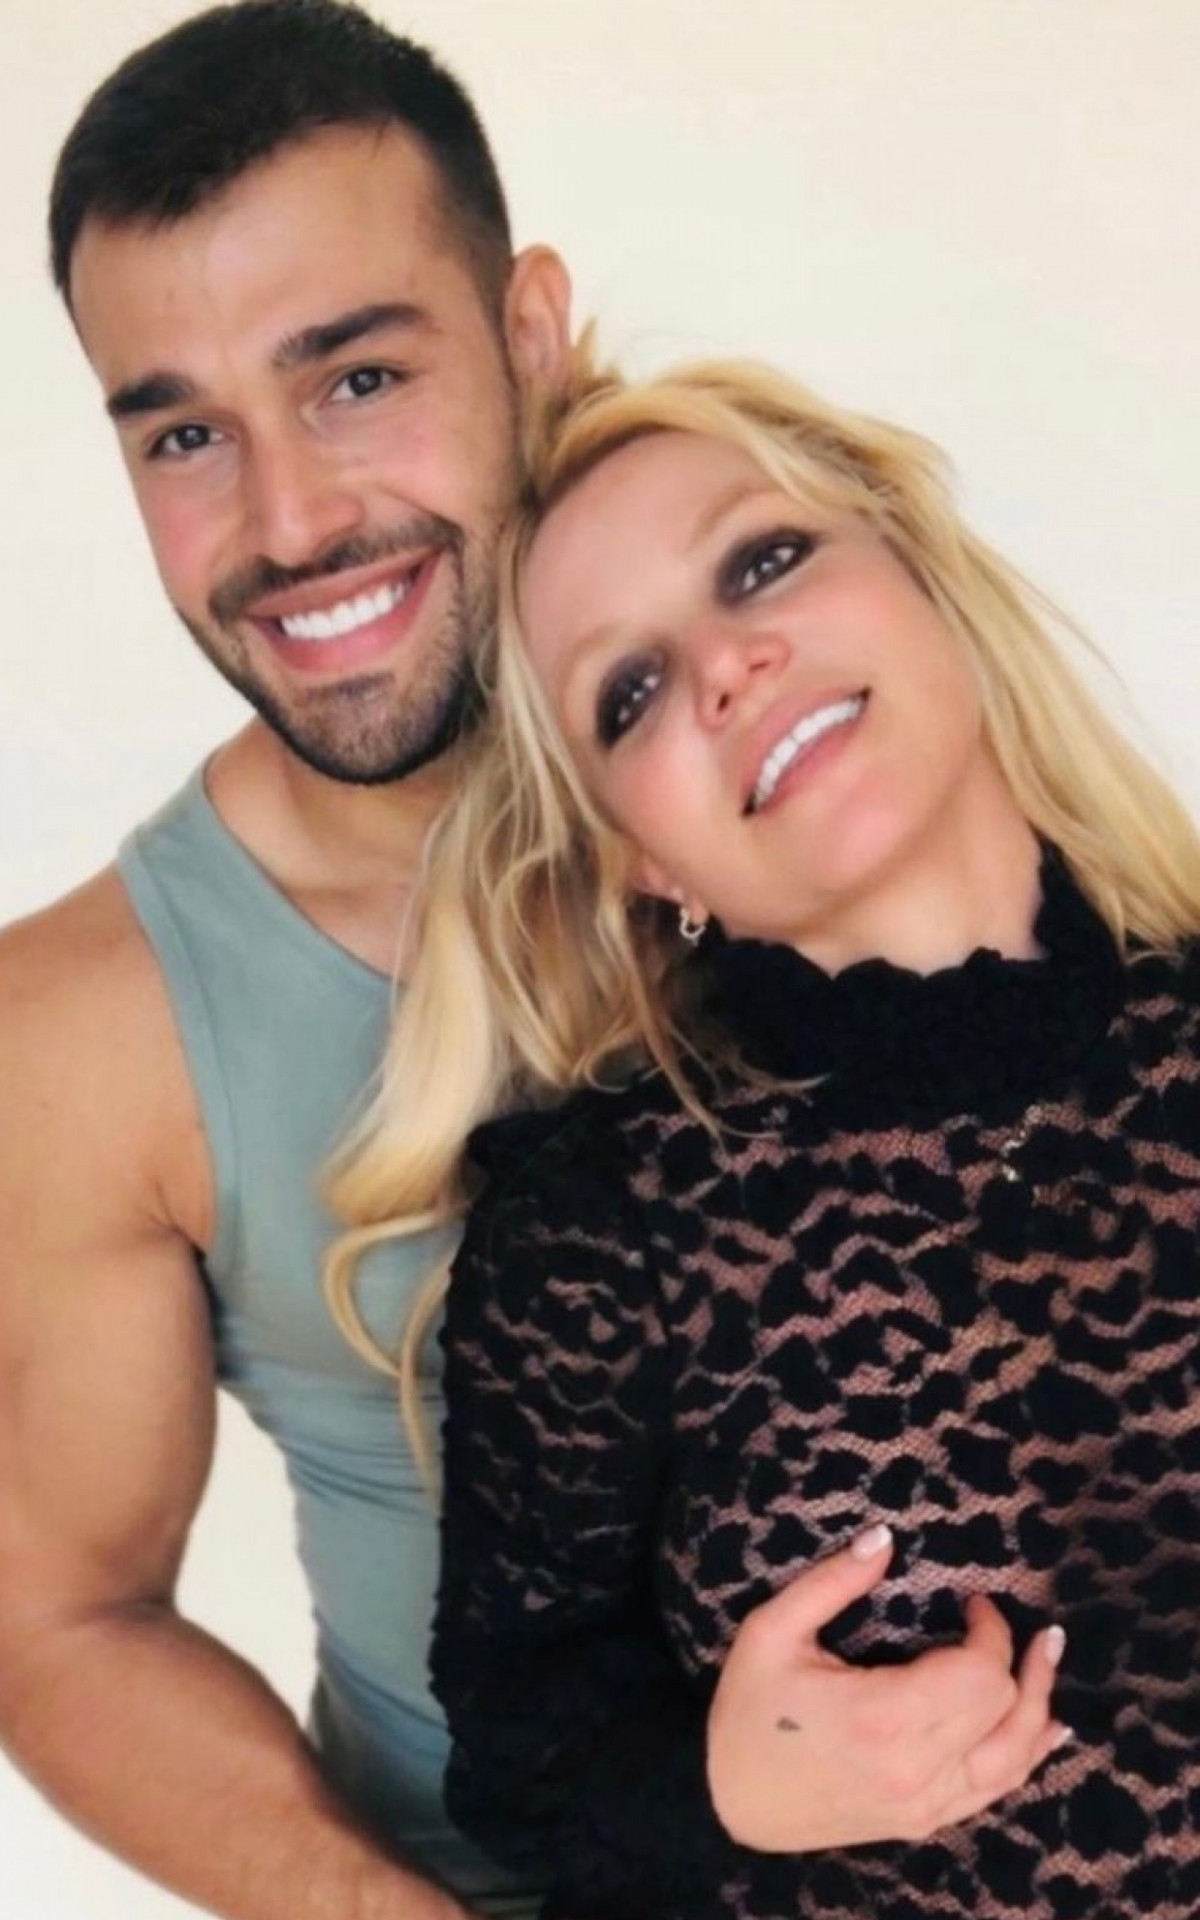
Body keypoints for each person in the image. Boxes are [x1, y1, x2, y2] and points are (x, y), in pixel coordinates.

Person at [328, 355, 1200, 1919]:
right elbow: (522, 1751)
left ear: (921, 580)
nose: (726, 665)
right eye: (630, 693)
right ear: (641, 860)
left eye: (761, 560)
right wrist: (720, 1787)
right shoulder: (603, 1218)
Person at [0, 3, 575, 1916]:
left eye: (355, 379)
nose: (290, 523)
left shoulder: (820, 742)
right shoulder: (82, 1029)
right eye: (186, 433)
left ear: (531, 336)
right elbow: (63, 1620)